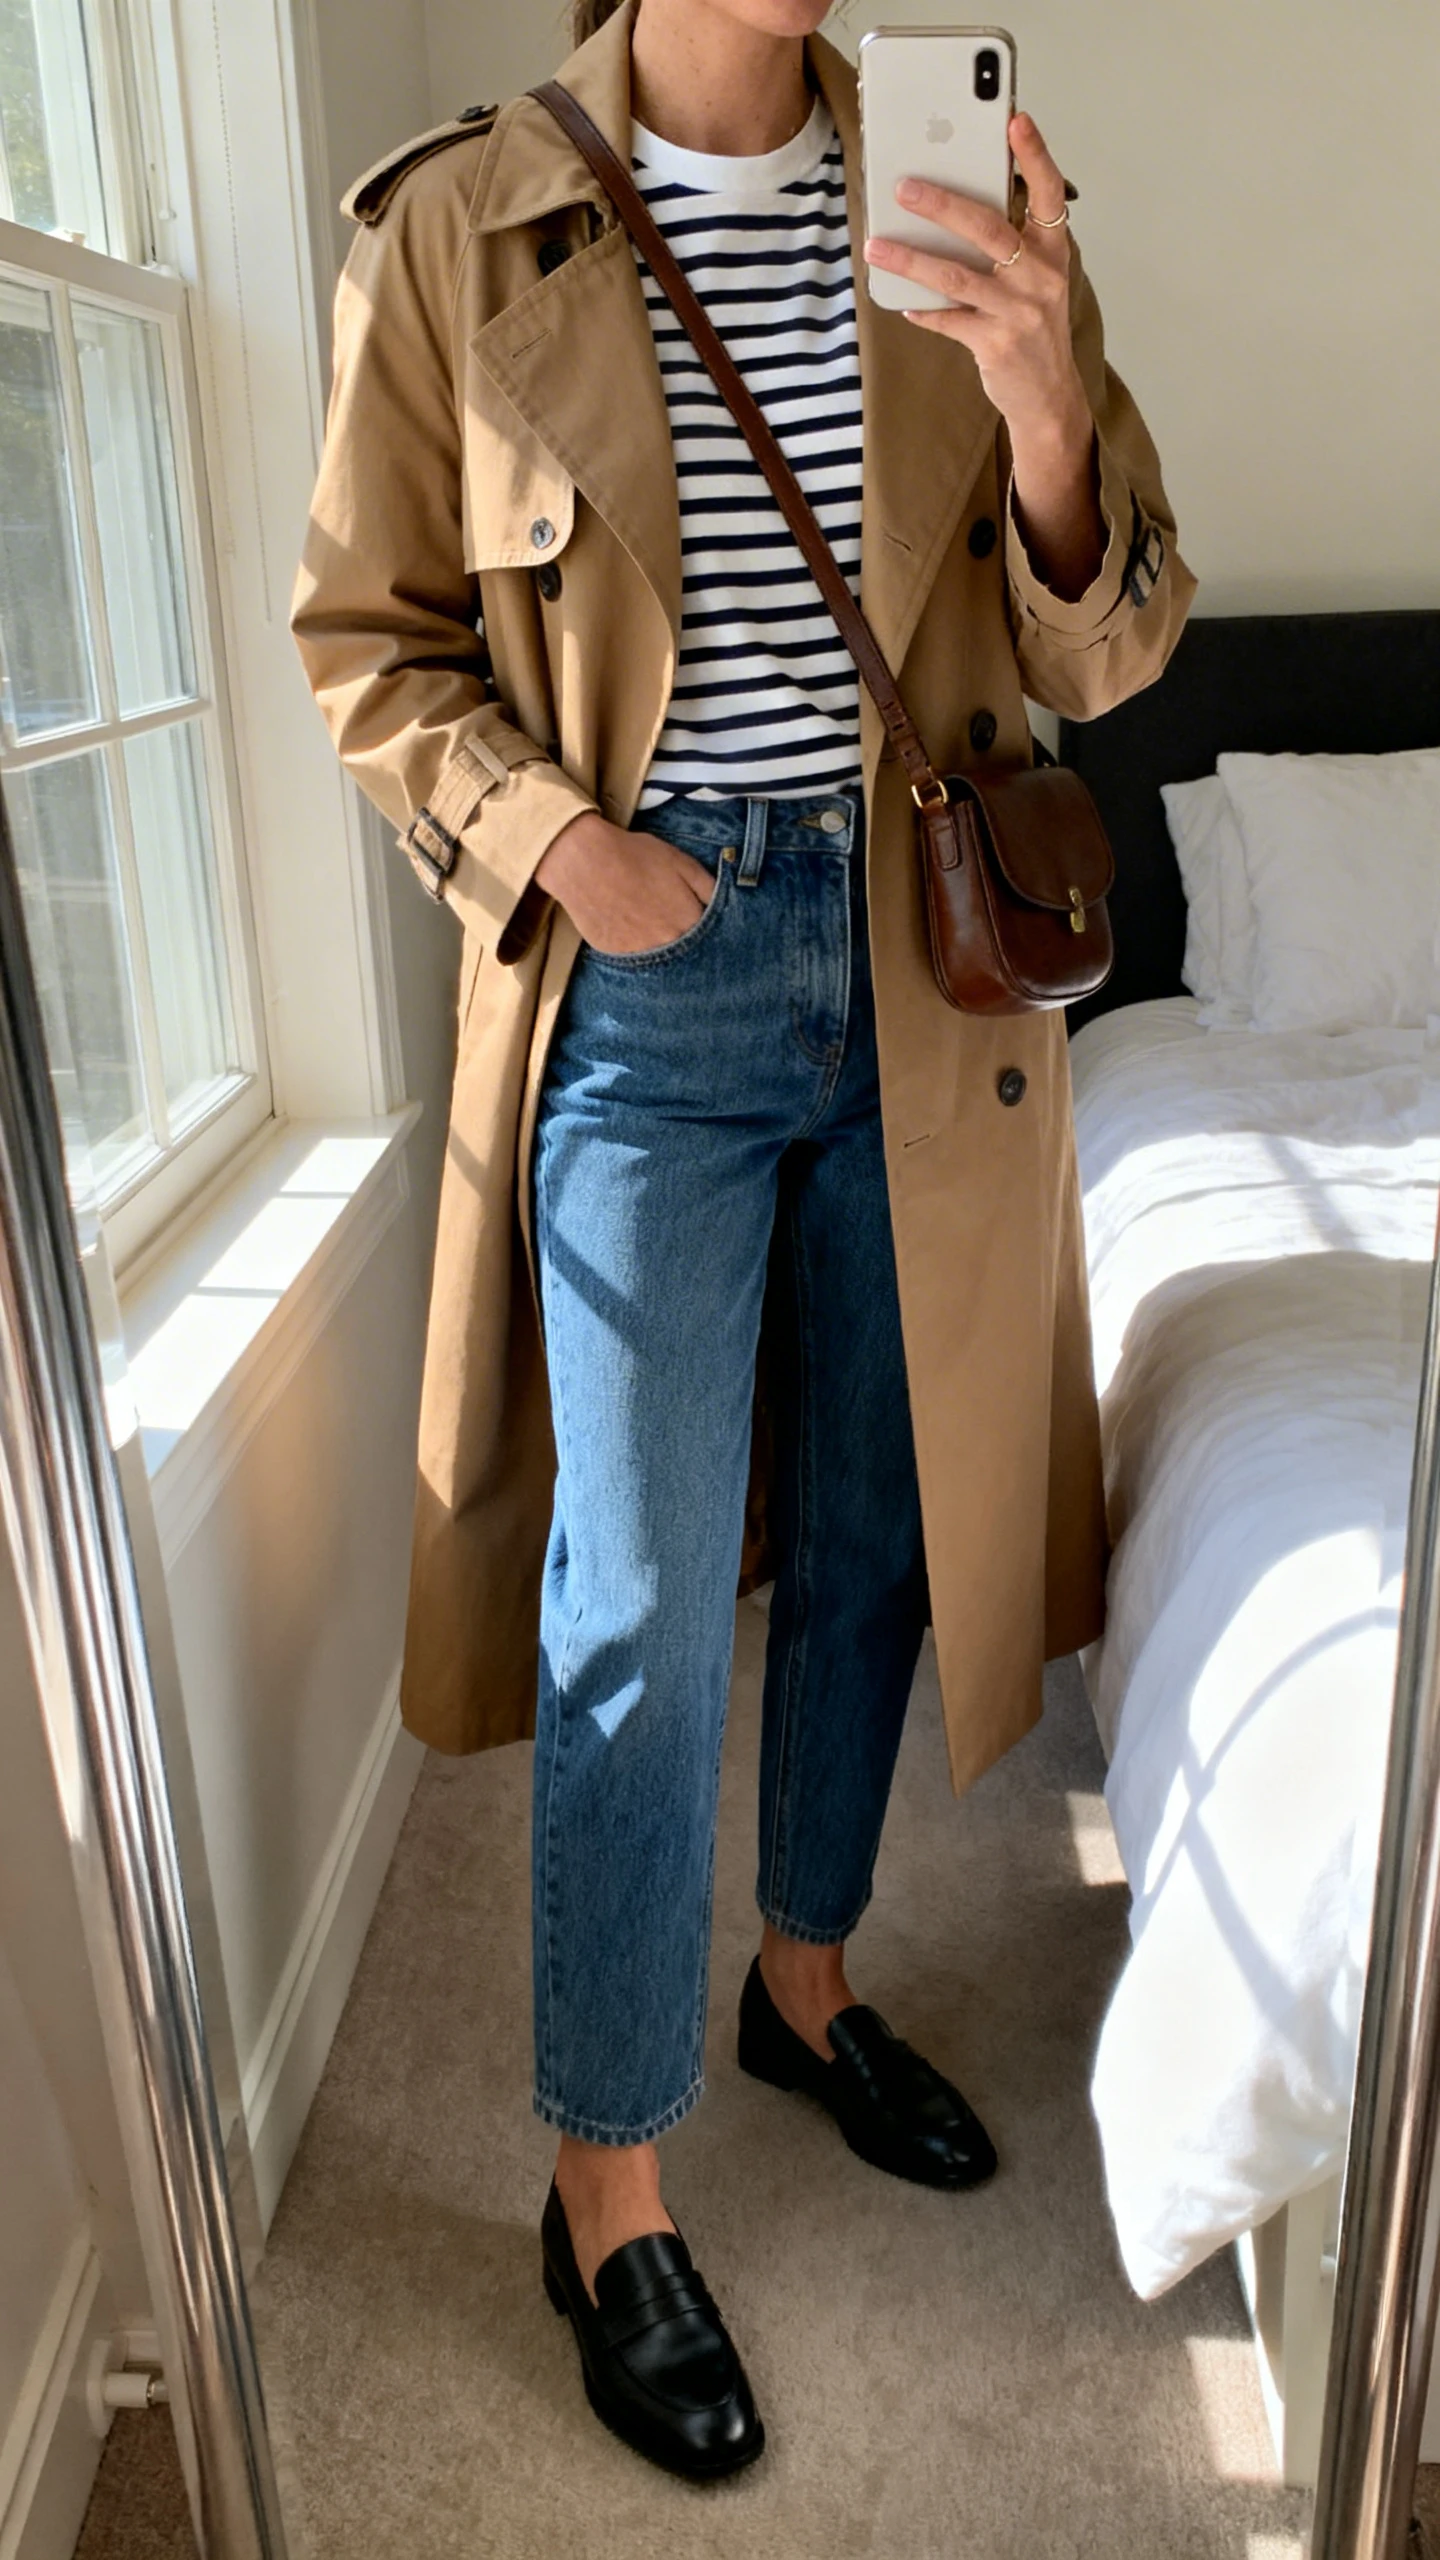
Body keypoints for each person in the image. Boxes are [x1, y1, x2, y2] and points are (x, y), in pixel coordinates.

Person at [292, 0, 1194, 2483]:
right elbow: (366, 647)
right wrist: (562, 848)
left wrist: (1038, 408)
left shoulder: (972, 187)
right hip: (649, 973)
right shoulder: (458, 223)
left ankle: (808, 1976)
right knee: (640, 1593)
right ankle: (605, 2177)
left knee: (888, 1530)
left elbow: (1112, 642)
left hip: (920, 967)